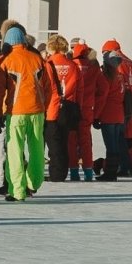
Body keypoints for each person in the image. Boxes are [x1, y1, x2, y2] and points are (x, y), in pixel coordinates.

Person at [0, 26, 51, 201]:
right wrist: (43, 106)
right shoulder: (38, 59)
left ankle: (17, 190)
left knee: (14, 151)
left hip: (15, 112)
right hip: (37, 112)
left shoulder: (6, 61)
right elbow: (49, 87)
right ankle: (34, 182)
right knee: (37, 148)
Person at [100, 39, 132, 176]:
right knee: (123, 138)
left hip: (119, 107)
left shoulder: (116, 63)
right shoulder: (131, 63)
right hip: (129, 106)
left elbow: (114, 86)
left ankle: (123, 167)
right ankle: (127, 167)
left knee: (118, 140)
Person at [68, 42, 107, 181]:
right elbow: (103, 89)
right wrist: (96, 109)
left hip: (71, 107)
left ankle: (73, 171)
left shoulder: (70, 65)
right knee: (85, 140)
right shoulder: (94, 68)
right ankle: (88, 171)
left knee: (71, 140)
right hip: (87, 108)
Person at [44, 35, 80, 182]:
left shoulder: (48, 64)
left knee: (53, 144)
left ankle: (56, 173)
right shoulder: (72, 65)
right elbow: (80, 88)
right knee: (64, 142)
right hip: (68, 107)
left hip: (51, 108)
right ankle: (62, 172)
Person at [93, 50, 126, 182]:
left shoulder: (105, 76)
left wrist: (96, 116)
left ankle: (110, 173)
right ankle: (112, 172)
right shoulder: (120, 75)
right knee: (115, 146)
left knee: (110, 147)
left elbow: (102, 98)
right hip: (119, 115)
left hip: (108, 115)